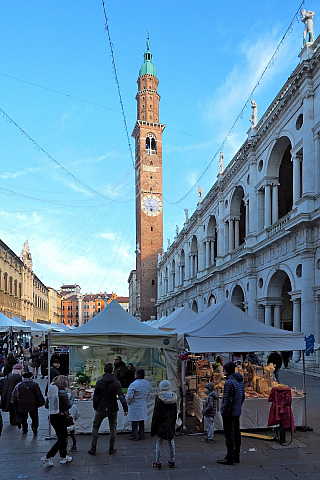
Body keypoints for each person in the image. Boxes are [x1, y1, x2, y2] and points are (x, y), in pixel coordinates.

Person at [88, 363, 128, 456]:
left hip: (101, 407)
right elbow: (121, 396)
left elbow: (96, 396)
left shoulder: (99, 382)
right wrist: (125, 408)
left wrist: (95, 406)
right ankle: (111, 448)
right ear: (112, 370)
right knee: (113, 428)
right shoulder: (116, 382)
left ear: (104, 370)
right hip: (112, 407)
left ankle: (93, 448)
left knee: (95, 427)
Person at [41, 375, 74, 467]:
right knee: (62, 438)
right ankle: (48, 457)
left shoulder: (52, 391)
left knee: (62, 437)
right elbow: (68, 405)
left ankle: (63, 456)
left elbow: (47, 405)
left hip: (53, 417)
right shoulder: (63, 393)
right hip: (61, 417)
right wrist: (73, 396)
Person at [217, 361, 245, 465]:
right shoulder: (240, 381)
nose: (223, 371)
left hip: (229, 413)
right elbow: (242, 397)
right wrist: (238, 406)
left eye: (224, 369)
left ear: (228, 371)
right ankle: (236, 455)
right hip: (237, 411)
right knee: (237, 433)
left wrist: (224, 412)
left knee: (229, 435)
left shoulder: (229, 382)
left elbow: (228, 400)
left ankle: (230, 457)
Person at [151, 380, 177, 470]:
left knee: (159, 442)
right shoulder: (174, 398)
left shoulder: (159, 399)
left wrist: (153, 428)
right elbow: (175, 413)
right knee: (171, 441)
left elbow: (156, 414)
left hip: (161, 423)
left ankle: (158, 461)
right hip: (170, 423)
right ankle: (172, 460)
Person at [126, 369, 151, 441]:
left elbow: (129, 396)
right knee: (141, 420)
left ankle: (134, 435)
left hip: (134, 403)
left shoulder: (134, 384)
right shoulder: (147, 383)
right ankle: (141, 434)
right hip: (143, 403)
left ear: (136, 375)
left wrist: (128, 402)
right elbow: (148, 394)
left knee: (134, 420)